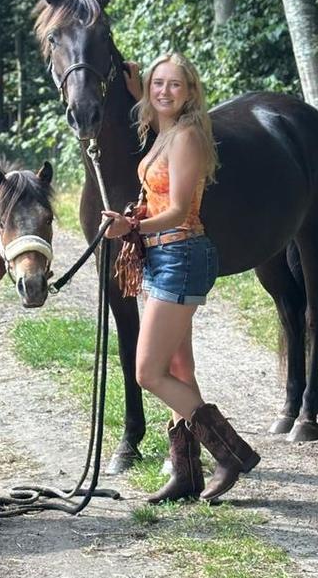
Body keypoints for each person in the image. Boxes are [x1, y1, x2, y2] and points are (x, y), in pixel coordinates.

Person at [103, 53, 260, 503]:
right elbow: (151, 115)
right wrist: (139, 92)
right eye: (158, 84)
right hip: (164, 257)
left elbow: (176, 211)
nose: (164, 92)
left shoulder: (188, 137)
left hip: (182, 254)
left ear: (191, 92)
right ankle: (186, 475)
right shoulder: (165, 129)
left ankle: (231, 452)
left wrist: (130, 227)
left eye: (175, 85)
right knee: (178, 368)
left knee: (148, 371)